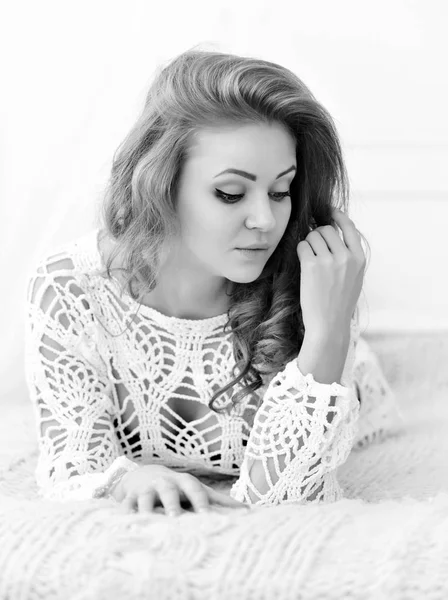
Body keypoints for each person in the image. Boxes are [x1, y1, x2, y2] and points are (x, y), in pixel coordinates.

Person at [24, 46, 402, 517]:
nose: (266, 219)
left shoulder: (316, 295)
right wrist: (128, 477)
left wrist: (328, 334)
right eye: (230, 193)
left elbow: (282, 503)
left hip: (353, 386)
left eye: (282, 191)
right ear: (159, 184)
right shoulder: (71, 288)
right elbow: (72, 471)